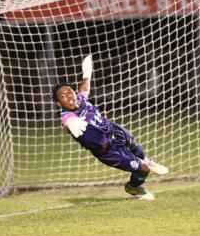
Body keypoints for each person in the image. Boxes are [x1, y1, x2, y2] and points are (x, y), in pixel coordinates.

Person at [51, 55, 169, 200]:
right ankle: (133, 187)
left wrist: (86, 74)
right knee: (143, 170)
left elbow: (85, 86)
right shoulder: (68, 116)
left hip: (112, 130)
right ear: (58, 103)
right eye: (63, 96)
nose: (68, 95)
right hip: (108, 151)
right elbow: (66, 120)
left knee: (132, 142)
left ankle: (146, 159)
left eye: (69, 91)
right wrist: (69, 122)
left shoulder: (81, 99)